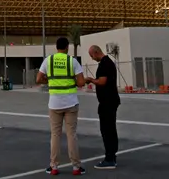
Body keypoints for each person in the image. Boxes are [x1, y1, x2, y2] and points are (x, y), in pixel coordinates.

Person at [36, 37, 87, 176]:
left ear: (56, 47)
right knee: (72, 135)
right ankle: (76, 167)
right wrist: (73, 82)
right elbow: (81, 82)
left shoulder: (49, 60)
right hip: (71, 102)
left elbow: (38, 79)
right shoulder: (72, 61)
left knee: (55, 135)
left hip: (54, 104)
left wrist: (50, 80)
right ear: (67, 47)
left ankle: (54, 167)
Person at [85, 45, 120, 170]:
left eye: (91, 55)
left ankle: (109, 158)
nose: (92, 58)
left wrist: (90, 80)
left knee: (107, 130)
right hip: (110, 101)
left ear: (96, 52)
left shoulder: (105, 64)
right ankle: (112, 155)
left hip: (108, 102)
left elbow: (102, 82)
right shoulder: (107, 62)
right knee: (110, 129)